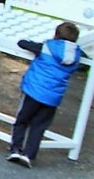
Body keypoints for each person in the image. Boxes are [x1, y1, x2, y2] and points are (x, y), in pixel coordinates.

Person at [8, 21, 87, 167]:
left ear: (56, 34)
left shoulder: (45, 47)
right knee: (39, 126)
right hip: (52, 98)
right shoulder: (76, 55)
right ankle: (29, 155)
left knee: (22, 121)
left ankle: (15, 149)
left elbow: (22, 43)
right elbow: (83, 65)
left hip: (33, 91)